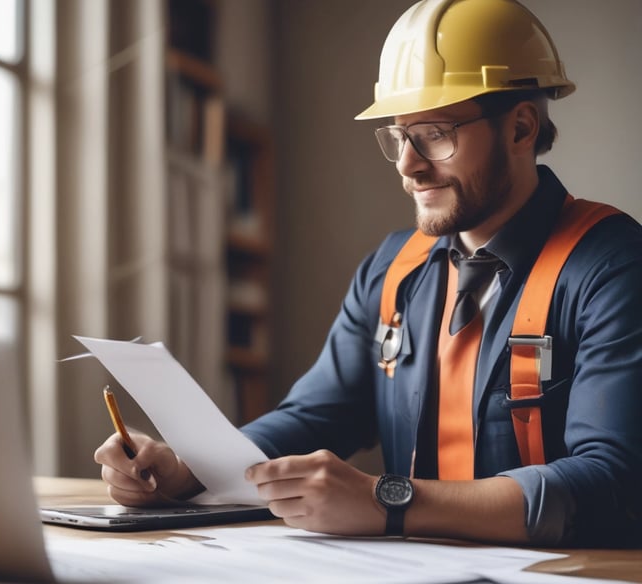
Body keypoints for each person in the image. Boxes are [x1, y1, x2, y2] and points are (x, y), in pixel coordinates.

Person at [95, 0, 642, 547]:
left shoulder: (611, 267)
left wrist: (387, 500)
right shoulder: (393, 269)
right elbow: (313, 416)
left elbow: (612, 482)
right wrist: (188, 470)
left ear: (521, 127)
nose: (408, 164)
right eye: (398, 136)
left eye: (435, 133)